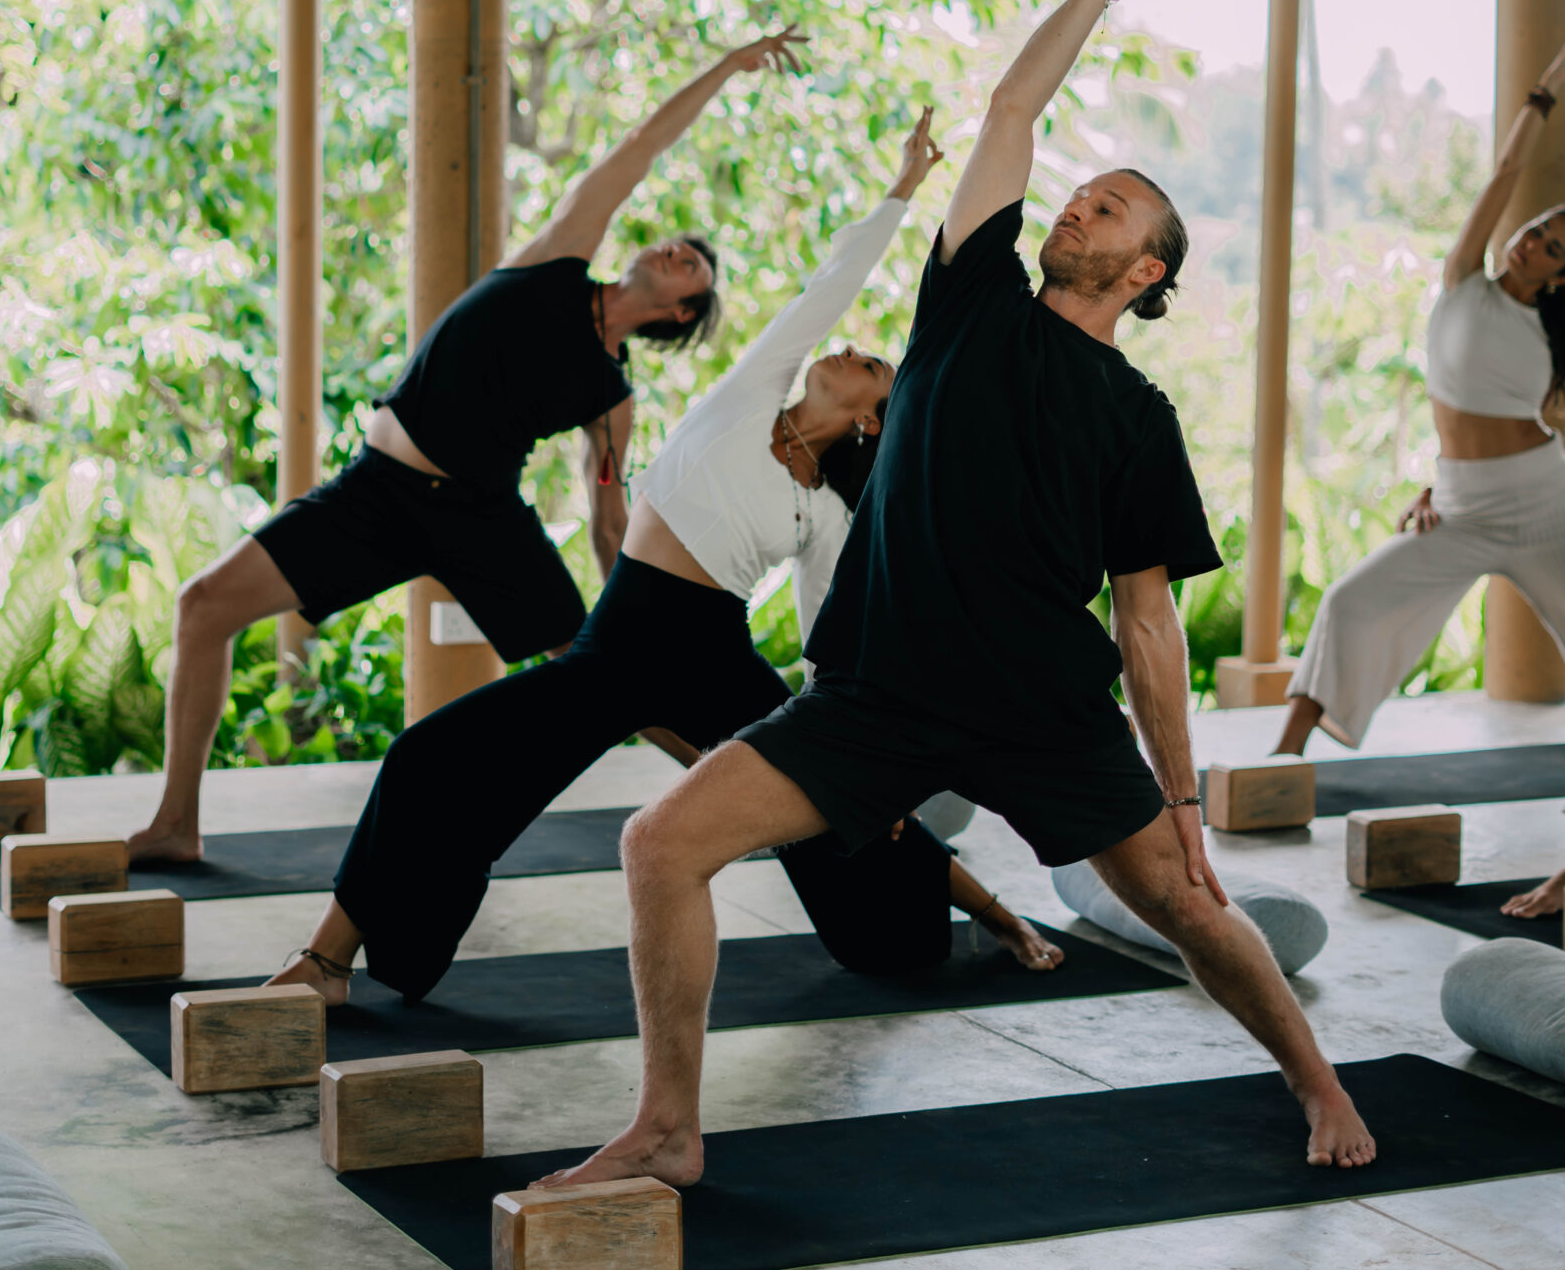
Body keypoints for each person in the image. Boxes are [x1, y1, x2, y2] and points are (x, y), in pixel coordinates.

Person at [539, 0, 1380, 1195]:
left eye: (1112, 208)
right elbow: (1013, 104)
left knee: (1191, 908)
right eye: (1083, 188)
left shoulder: (1139, 420)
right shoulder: (973, 290)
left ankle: (1317, 1080)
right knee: (660, 842)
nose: (1081, 202)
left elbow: (1146, 623)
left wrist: (1185, 798)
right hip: (876, 695)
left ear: (1143, 268)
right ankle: (669, 1127)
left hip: (1042, 709)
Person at [266, 106, 1064, 1005]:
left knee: (846, 811)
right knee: (429, 760)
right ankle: (327, 963)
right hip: (618, 642)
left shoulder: (825, 514)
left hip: (711, 656)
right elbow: (830, 286)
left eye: (873, 365)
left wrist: (854, 741)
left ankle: (994, 914)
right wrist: (903, 188)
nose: (851, 348)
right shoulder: (751, 391)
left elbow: (829, 636)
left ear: (873, 417)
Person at [127, 31, 806, 864]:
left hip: (482, 520)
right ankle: (175, 826)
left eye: (693, 269)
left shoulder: (611, 399)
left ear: (678, 315)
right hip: (375, 496)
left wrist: (624, 615)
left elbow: (606, 512)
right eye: (678, 246)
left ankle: (762, 806)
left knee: (610, 678)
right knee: (203, 607)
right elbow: (641, 148)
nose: (679, 253)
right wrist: (729, 65)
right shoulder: (555, 261)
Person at [1275, 37, 1565, 762]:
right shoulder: (1462, 277)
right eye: (1535, 232)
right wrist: (1543, 94)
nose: (1531, 245)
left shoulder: (1548, 335)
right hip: (1461, 505)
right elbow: (1504, 172)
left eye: (1553, 249)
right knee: (1350, 601)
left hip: (1544, 508)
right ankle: (1281, 761)